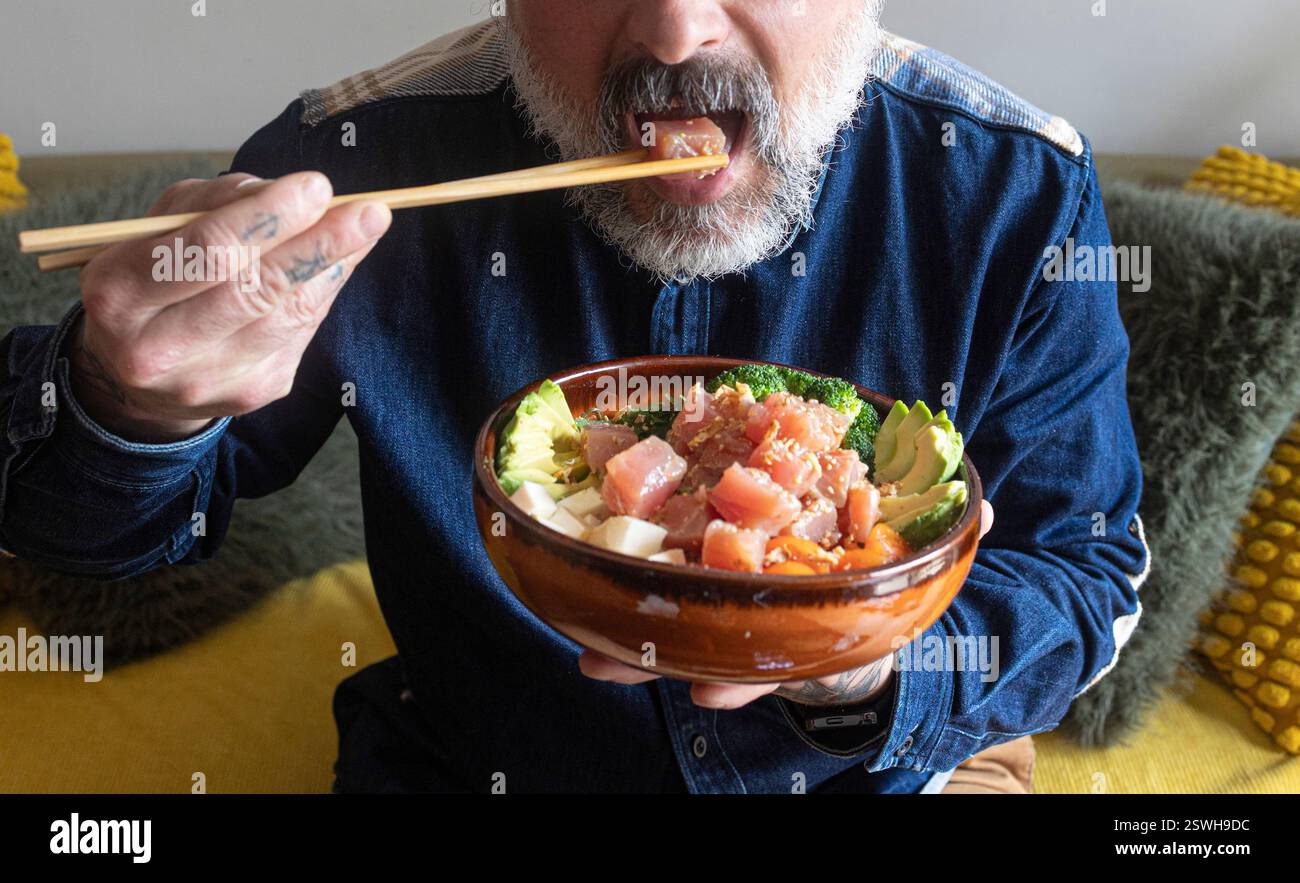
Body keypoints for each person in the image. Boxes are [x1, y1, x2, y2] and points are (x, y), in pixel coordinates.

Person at [0, 2, 1148, 793]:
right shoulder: (356, 161)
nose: (671, 29)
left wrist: (868, 656)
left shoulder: (1012, 189)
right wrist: (128, 401)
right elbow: (89, 535)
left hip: (898, 765)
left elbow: (1090, 573)